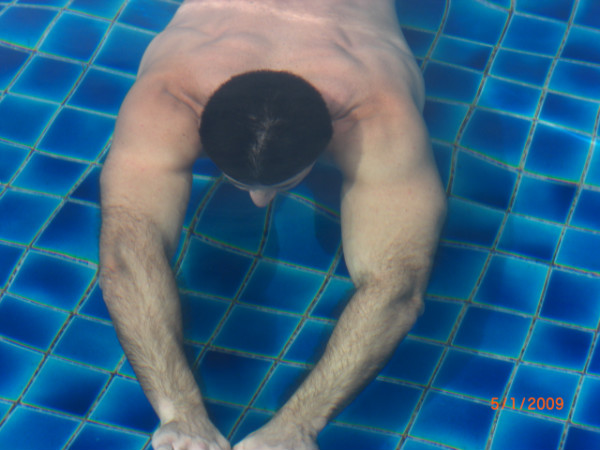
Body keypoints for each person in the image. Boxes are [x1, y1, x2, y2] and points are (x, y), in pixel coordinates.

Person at [98, 1, 447, 449]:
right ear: (198, 124)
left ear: (331, 135)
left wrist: (299, 425)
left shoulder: (377, 114)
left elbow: (399, 288)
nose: (258, 200)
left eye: (281, 184)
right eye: (238, 181)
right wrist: (178, 411)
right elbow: (124, 258)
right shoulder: (171, 98)